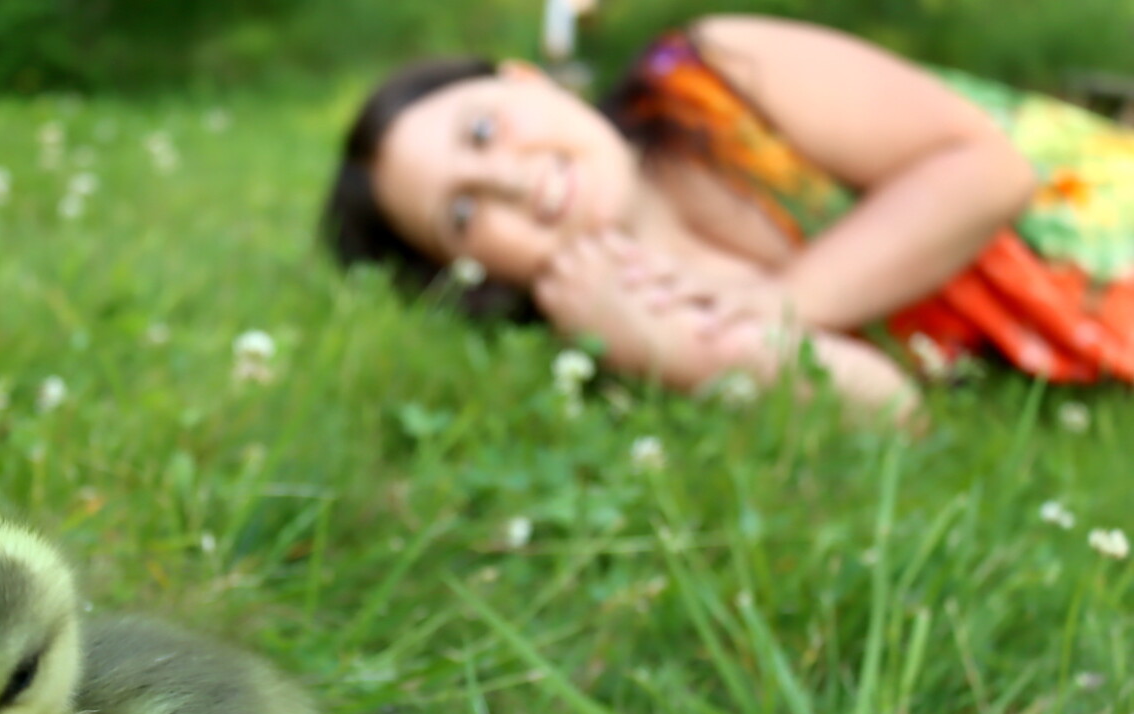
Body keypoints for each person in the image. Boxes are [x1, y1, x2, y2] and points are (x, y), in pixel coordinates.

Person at [321, 15, 1134, 421]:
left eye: (484, 130)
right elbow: (887, 404)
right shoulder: (618, 301)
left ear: (530, 80)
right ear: (477, 273)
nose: (506, 178)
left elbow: (987, 171)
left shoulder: (715, 69)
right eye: (460, 214)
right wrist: (666, 349)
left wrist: (789, 302)